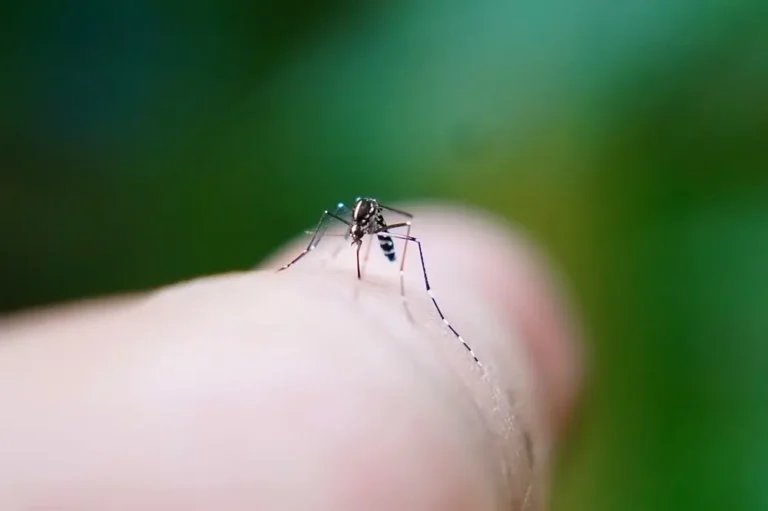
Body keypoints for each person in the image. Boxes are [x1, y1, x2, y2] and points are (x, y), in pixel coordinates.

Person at [0, 203, 582, 510]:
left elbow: (400, 233)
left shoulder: (384, 229)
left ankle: (408, 291)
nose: (358, 226)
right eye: (359, 224)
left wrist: (403, 282)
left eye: (359, 224)